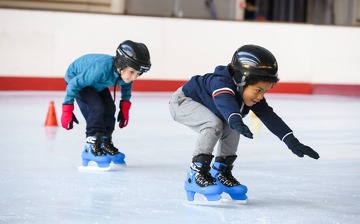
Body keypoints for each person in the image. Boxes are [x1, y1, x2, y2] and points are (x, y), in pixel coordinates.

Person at [169, 44, 320, 203]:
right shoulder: (221, 83)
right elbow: (224, 99)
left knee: (233, 126)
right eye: (258, 90)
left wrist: (292, 142)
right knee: (214, 124)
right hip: (184, 102)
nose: (260, 96)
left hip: (212, 107)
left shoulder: (250, 94)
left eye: (264, 91)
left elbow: (269, 116)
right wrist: (234, 118)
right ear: (241, 80)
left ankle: (221, 173)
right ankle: (196, 174)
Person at [61, 40, 151, 170]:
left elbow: (126, 89)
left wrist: (124, 108)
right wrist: (67, 109)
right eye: (132, 72)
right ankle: (90, 147)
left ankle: (104, 142)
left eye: (138, 74)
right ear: (121, 64)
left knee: (110, 109)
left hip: (96, 83)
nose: (134, 78)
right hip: (76, 79)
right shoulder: (101, 69)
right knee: (96, 108)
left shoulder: (124, 73)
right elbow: (75, 84)